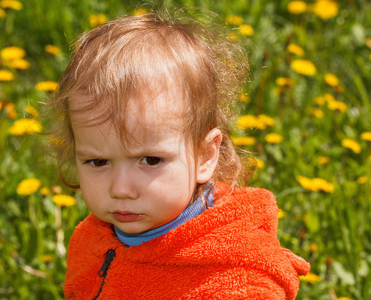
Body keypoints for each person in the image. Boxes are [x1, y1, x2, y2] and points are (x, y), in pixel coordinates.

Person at [46, 8, 310, 300]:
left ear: (205, 155)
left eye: (150, 160)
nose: (121, 189)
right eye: (98, 161)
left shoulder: (234, 277)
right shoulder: (91, 240)